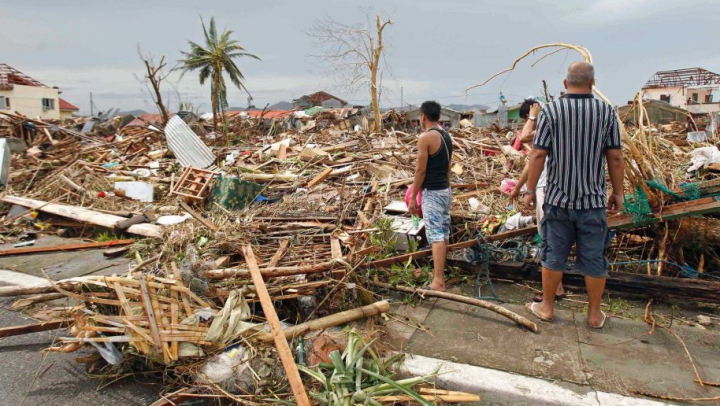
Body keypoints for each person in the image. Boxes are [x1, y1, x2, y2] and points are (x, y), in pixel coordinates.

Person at [523, 61, 624, 329]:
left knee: (553, 254)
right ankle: (593, 315)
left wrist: (530, 190)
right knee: (594, 258)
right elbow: (614, 156)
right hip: (592, 202)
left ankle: (546, 307)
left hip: (558, 199)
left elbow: (538, 153)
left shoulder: (552, 111)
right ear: (592, 84)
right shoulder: (606, 112)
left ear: (565, 84)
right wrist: (619, 192)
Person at [510, 99, 567, 302]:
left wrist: (533, 116)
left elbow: (524, 136)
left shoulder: (546, 126)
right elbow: (532, 161)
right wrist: (518, 187)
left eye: (526, 119)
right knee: (553, 238)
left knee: (549, 239)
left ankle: (553, 290)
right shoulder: (557, 127)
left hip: (547, 190)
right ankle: (556, 286)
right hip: (555, 189)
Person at [408, 101, 453, 292]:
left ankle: (438, 280)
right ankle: (444, 271)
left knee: (436, 236)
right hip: (445, 190)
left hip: (433, 193)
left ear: (423, 116)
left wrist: (413, 196)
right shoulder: (446, 135)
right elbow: (448, 166)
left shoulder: (426, 137)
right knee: (443, 231)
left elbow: (420, 170)